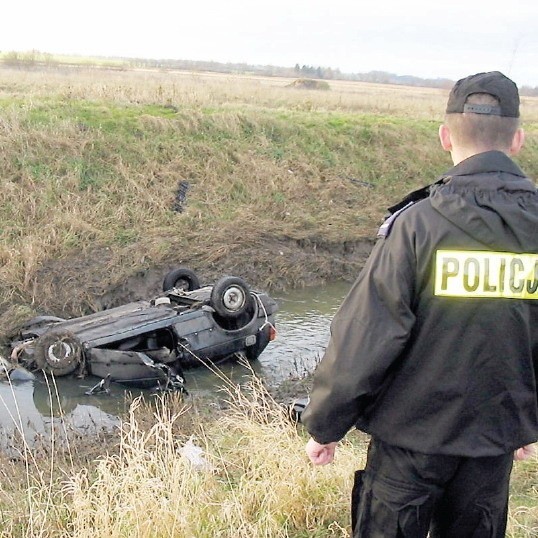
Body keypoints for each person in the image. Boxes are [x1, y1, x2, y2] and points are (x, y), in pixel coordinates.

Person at [301, 71, 538, 537]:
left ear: (445, 136)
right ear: (517, 140)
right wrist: (522, 420)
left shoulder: (415, 227)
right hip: (491, 442)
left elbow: (366, 338)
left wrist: (326, 425)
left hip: (408, 444)